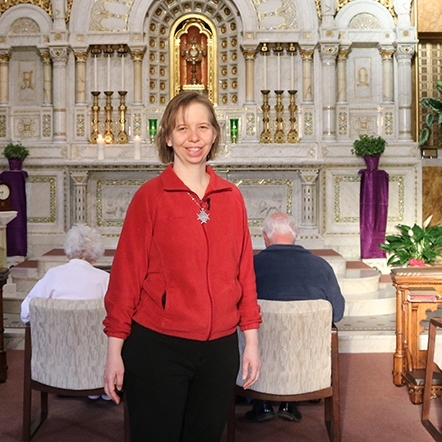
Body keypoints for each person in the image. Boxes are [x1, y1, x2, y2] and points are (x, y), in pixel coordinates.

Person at [103, 90, 262, 442]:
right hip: (158, 347)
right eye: (182, 128)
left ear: (215, 134)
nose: (194, 138)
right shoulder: (150, 197)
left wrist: (250, 341)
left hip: (219, 349)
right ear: (169, 137)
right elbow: (125, 278)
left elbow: (244, 274)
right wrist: (114, 352)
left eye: (203, 127)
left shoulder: (231, 198)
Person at [245, 212, 345, 423]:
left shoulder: (249, 268)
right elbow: (338, 313)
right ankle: (291, 402)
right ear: (296, 234)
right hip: (305, 359)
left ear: (265, 236)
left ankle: (260, 403)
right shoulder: (321, 267)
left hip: (261, 356)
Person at [20, 224, 110, 323]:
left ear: (67, 254)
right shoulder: (105, 278)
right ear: (95, 258)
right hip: (93, 337)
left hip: (54, 337)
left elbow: (26, 312)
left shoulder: (53, 274)